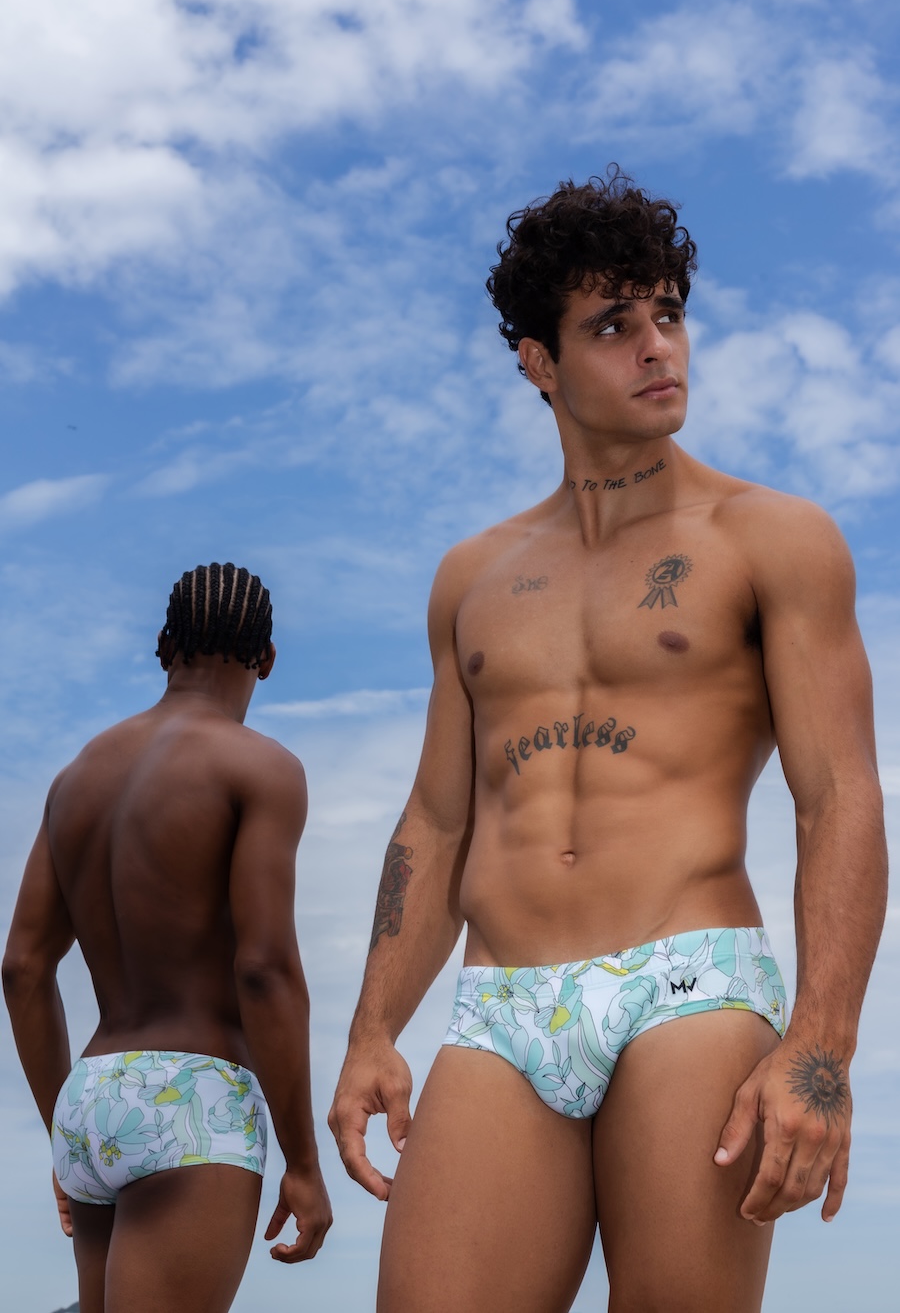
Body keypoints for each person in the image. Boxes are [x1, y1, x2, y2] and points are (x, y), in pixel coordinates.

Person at [328, 172, 888, 1313]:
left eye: (668, 314)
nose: (655, 347)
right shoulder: (473, 577)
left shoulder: (771, 539)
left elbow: (839, 795)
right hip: (502, 1003)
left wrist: (822, 1046)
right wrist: (372, 1029)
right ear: (540, 361)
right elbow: (437, 818)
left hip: (687, 982)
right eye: (613, 325)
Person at [3, 562, 331, 1313]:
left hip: (88, 1094)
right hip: (193, 1098)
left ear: (163, 647)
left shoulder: (76, 777)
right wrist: (303, 1161)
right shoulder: (261, 768)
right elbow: (264, 969)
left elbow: (21, 968)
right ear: (267, 659)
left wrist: (63, 1133)